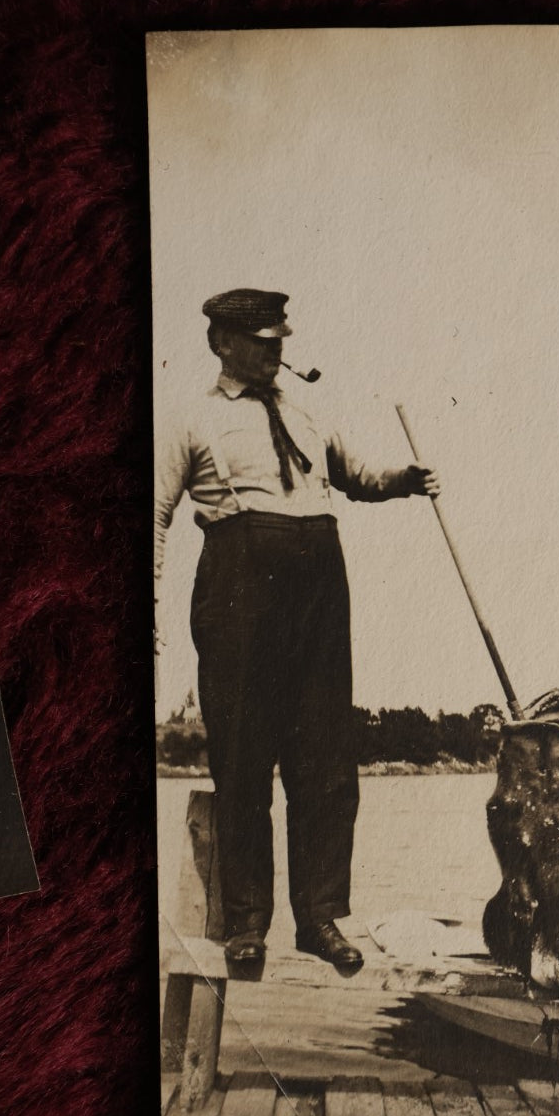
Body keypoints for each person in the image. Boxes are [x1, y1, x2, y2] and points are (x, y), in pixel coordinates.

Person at [155, 288, 438, 976]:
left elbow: (353, 475)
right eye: (259, 338)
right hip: (239, 587)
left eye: (280, 336)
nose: (276, 348)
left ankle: (320, 917)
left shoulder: (307, 405)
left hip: (320, 590)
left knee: (326, 760)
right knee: (244, 758)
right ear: (222, 342)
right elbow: (153, 514)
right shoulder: (189, 416)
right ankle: (248, 923)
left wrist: (404, 479)